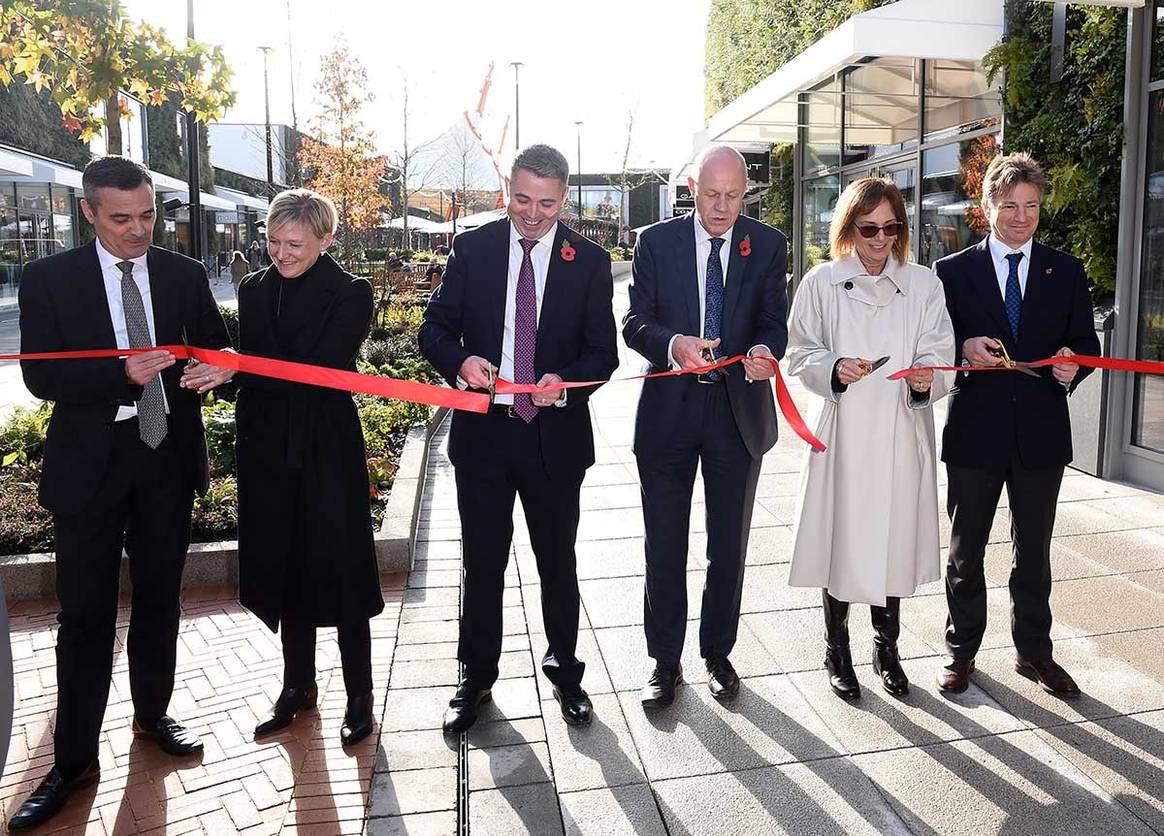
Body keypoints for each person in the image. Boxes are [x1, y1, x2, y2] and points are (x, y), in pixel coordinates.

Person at [10, 155, 233, 831]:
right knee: (84, 617)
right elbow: (41, 379)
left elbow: (217, 346)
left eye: (147, 215)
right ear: (88, 212)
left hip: (166, 460)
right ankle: (73, 761)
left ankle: (152, 714)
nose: (138, 230)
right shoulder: (48, 279)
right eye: (120, 218)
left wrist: (216, 369)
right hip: (90, 469)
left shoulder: (183, 273)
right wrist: (121, 375)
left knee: (161, 599)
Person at [419, 144, 618, 734]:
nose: (532, 215)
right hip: (484, 436)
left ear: (565, 200)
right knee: (482, 564)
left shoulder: (588, 260)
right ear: (508, 189)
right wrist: (460, 362)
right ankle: (475, 678)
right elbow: (434, 329)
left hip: (553, 439)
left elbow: (602, 353)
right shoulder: (474, 249)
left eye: (547, 205)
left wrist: (568, 385)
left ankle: (566, 674)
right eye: (523, 200)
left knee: (557, 562)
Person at [623, 144, 788, 708]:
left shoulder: (767, 245)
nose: (721, 207)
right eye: (711, 194)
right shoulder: (656, 242)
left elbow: (773, 320)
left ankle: (718, 652)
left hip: (736, 413)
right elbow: (634, 321)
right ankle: (663, 661)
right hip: (669, 411)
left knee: (729, 544)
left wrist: (765, 350)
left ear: (746, 193)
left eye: (733, 196)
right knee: (665, 543)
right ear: (691, 188)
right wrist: (673, 344)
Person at [935, 152, 1101, 696]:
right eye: (1009, 206)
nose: (1022, 217)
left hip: (1041, 434)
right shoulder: (951, 272)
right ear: (987, 207)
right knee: (966, 552)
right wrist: (962, 347)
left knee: (1034, 553)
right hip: (975, 432)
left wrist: (1073, 366)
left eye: (1031, 205)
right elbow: (933, 344)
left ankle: (1034, 653)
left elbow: (1085, 343)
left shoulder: (1065, 270)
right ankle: (961, 651)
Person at [785, 178, 955, 700]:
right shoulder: (821, 282)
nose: (881, 239)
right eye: (868, 228)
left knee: (892, 540)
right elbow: (800, 352)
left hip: (902, 428)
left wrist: (927, 377)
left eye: (891, 227)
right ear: (849, 228)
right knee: (839, 538)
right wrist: (833, 368)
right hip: (844, 431)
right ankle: (836, 648)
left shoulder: (923, 284)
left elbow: (939, 349)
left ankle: (887, 647)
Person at [233, 189, 384, 745]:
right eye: (273, 241)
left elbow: (319, 367)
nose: (281, 253)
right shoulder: (253, 289)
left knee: (342, 567)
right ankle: (297, 686)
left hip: (326, 447)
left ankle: (359, 694)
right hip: (268, 448)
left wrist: (241, 369)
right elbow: (256, 368)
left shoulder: (351, 293)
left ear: (325, 239)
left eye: (294, 243)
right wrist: (228, 372)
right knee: (284, 564)